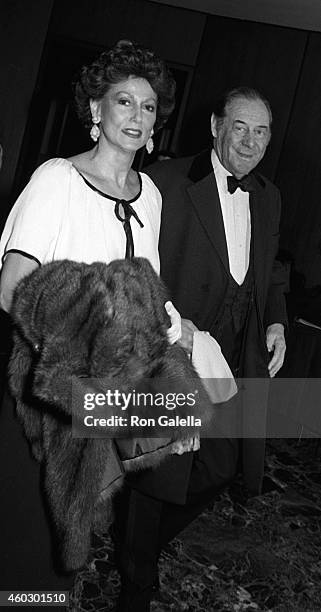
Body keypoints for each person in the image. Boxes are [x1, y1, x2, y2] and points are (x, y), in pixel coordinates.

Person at [0, 39, 179, 607]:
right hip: (49, 389)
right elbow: (11, 289)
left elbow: (147, 290)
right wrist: (92, 331)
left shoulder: (149, 194)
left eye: (148, 107)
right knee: (32, 539)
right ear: (96, 112)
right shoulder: (56, 179)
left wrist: (175, 347)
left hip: (110, 395)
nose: (136, 116)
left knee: (76, 528)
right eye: (123, 102)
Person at [116, 86, 288, 609]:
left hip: (235, 358)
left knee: (225, 465)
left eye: (261, 131)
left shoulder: (270, 195)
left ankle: (134, 543)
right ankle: (136, 582)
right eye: (240, 126)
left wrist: (277, 322)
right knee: (158, 472)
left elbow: (272, 273)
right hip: (174, 352)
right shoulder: (165, 181)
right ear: (216, 125)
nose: (250, 141)